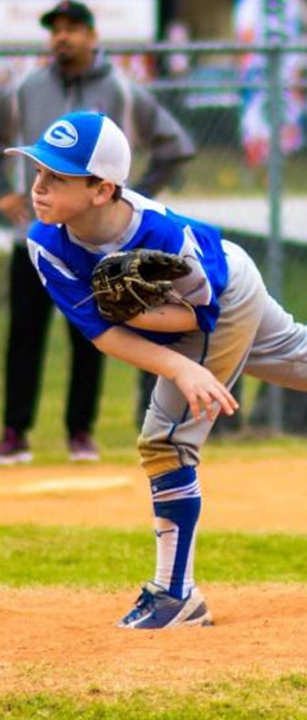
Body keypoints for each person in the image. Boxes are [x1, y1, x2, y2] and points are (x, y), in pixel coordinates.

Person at [6, 111, 307, 628]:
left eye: (56, 177)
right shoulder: (45, 242)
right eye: (38, 172)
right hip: (198, 310)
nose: (38, 187)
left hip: (222, 294)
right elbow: (101, 332)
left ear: (103, 189)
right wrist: (163, 349)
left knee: (166, 441)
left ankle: (176, 596)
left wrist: (182, 367)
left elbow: (201, 316)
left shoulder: (169, 238)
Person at [0, 0, 195, 463]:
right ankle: (14, 432)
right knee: (24, 332)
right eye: (56, 30)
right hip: (36, 233)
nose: (61, 37)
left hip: (97, 242)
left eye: (72, 28)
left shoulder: (123, 92)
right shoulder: (25, 88)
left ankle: (80, 432)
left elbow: (175, 145)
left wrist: (131, 197)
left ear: (92, 35)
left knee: (92, 331)